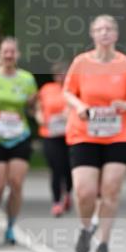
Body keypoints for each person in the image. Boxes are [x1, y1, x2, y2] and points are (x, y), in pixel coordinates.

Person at [63, 14, 126, 252]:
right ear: (93, 34)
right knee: (84, 192)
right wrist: (78, 105)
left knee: (110, 189)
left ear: (116, 35)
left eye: (109, 29)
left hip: (117, 134)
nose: (105, 33)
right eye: (100, 29)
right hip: (84, 132)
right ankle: (86, 227)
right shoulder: (81, 63)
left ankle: (104, 244)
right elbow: (67, 92)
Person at [0, 36, 38, 244]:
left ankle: (10, 226)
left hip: (19, 135)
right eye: (5, 51)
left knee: (16, 184)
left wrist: (34, 106)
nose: (8, 55)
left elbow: (32, 111)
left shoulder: (26, 79)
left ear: (18, 55)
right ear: (0, 54)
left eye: (12, 52)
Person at [36, 63, 72, 216]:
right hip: (50, 134)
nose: (61, 77)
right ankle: (57, 201)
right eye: (58, 74)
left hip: (70, 134)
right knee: (56, 168)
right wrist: (40, 118)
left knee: (69, 168)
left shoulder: (73, 88)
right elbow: (39, 108)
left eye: (63, 74)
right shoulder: (47, 89)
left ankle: (68, 193)